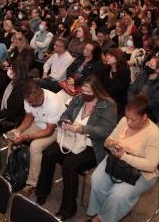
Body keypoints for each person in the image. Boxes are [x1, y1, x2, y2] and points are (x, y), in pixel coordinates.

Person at [35, 76, 117, 220]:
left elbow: (105, 131)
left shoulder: (109, 105)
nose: (84, 93)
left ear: (97, 91)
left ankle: (68, 209)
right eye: (83, 89)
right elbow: (66, 113)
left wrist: (83, 129)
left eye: (88, 91)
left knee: (69, 165)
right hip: (71, 139)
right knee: (48, 154)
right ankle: (41, 192)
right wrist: (65, 121)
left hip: (92, 145)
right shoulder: (79, 98)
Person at [86, 95, 159, 222]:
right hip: (117, 161)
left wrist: (124, 156)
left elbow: (151, 166)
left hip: (141, 173)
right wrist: (109, 143)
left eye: (133, 120)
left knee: (118, 195)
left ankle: (101, 218)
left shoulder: (154, 134)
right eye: (127, 118)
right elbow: (108, 140)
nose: (128, 122)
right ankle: (102, 211)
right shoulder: (124, 121)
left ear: (145, 117)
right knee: (97, 181)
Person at [9, 80, 66, 197]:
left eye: (33, 102)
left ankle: (31, 184)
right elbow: (28, 119)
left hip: (56, 131)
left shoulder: (53, 102)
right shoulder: (29, 99)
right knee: (13, 137)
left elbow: (49, 130)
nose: (31, 104)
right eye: (29, 102)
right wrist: (18, 131)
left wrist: (27, 136)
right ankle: (11, 172)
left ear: (41, 94)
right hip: (38, 124)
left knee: (35, 146)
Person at [127, 56, 159, 123]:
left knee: (134, 122)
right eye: (149, 63)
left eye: (151, 65)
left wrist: (138, 108)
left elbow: (155, 101)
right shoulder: (143, 74)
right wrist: (132, 103)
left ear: (158, 69)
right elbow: (131, 90)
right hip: (135, 106)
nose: (148, 66)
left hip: (151, 112)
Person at [104, 48, 131, 119]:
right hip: (105, 97)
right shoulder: (106, 69)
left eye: (111, 56)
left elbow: (117, 89)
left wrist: (101, 92)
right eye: (107, 55)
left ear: (118, 58)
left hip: (118, 101)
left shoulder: (125, 72)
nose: (107, 57)